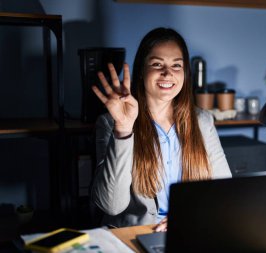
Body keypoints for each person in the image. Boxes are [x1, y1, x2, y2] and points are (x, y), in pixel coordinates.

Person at [90, 27, 231, 231]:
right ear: (141, 71)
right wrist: (123, 129)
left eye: (176, 65)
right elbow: (110, 206)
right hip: (134, 234)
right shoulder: (111, 122)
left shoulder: (203, 121)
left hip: (190, 228)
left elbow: (224, 191)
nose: (167, 73)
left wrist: (187, 218)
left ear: (185, 73)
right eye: (157, 64)